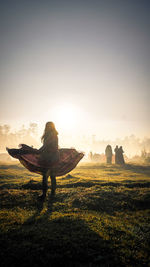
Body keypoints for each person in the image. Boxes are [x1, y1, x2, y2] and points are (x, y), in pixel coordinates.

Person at [7, 121, 84, 200]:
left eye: (48, 126)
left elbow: (45, 147)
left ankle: (44, 195)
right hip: (53, 157)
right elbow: (46, 146)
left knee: (46, 177)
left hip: (50, 158)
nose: (47, 128)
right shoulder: (53, 135)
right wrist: (36, 150)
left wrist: (35, 151)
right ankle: (52, 194)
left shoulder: (51, 135)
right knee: (52, 176)